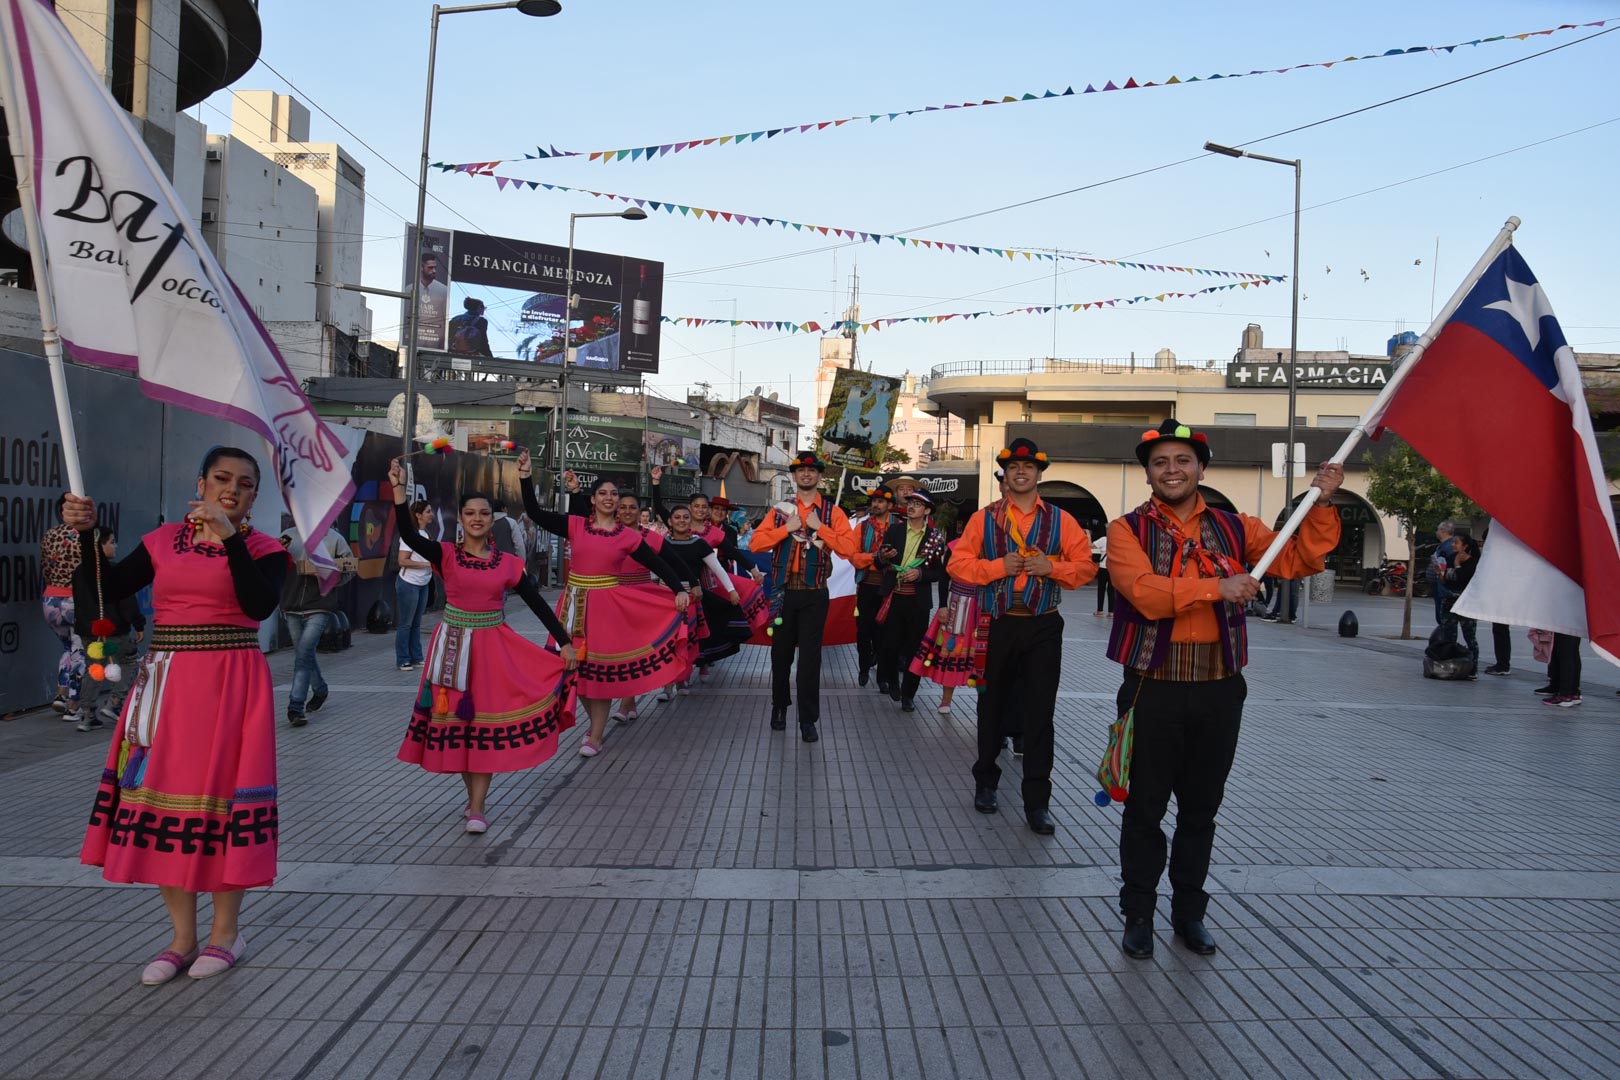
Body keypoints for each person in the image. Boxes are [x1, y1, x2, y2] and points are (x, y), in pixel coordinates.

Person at [1108, 420, 1342, 960]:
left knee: (1201, 810)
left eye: (1182, 460)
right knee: (1144, 809)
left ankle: (1189, 913)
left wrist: (1322, 502)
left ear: (1201, 468)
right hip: (1152, 688)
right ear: (1148, 473)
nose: (1172, 470)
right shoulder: (1126, 531)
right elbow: (1143, 592)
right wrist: (1218, 586)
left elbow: (1298, 558)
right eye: (1161, 462)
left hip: (1219, 689)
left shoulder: (1239, 528)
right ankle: (1138, 913)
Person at [66, 447, 293, 984]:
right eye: (221, 478)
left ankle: (226, 933)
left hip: (231, 685)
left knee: (224, 802)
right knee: (163, 801)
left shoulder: (265, 550)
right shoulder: (162, 541)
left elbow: (258, 605)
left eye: (244, 483)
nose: (231, 489)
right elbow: (107, 591)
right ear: (200, 483)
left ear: (254, 496)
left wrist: (229, 538)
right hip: (167, 684)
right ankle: (182, 937)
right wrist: (87, 536)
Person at [390, 460, 579, 834]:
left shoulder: (507, 563)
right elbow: (409, 536)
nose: (477, 519)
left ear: (493, 520)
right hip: (452, 649)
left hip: (493, 650)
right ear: (460, 519)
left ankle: (478, 806)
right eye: (470, 513)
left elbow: (537, 603)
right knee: (461, 728)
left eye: (484, 513)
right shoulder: (445, 554)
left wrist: (564, 642)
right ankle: (471, 796)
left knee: (483, 728)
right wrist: (398, 492)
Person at [950, 438, 1094, 834]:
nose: (1021, 471)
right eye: (1014, 466)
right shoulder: (984, 518)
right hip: (998, 621)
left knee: (1040, 714)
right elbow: (958, 564)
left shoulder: (1062, 520)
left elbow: (1086, 568)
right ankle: (985, 782)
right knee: (990, 705)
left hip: (1043, 624)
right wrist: (998, 567)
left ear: (1039, 473)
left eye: (1028, 466)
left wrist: (1053, 568)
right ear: (1006, 474)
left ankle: (1037, 801)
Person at [517, 451, 689, 756]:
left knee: (600, 673)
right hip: (572, 606)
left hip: (606, 609)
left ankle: (596, 734)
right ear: (593, 500)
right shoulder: (576, 525)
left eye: (613, 494)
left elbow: (658, 563)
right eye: (603, 494)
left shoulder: (627, 536)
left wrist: (678, 588)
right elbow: (535, 512)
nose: (609, 498)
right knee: (575, 671)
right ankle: (595, 724)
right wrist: (525, 476)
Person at [748, 450, 860, 742]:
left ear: (819, 476)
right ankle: (779, 707)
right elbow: (756, 544)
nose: (806, 474)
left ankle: (808, 719)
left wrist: (819, 527)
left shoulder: (832, 513)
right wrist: (786, 529)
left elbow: (849, 550)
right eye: (800, 470)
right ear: (795, 476)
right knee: (780, 656)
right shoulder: (780, 511)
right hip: (784, 594)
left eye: (811, 470)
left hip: (814, 594)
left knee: (810, 660)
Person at [873, 489, 947, 712]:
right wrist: (883, 557)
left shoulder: (934, 538)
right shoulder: (895, 530)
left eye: (918, 504)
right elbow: (879, 562)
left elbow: (939, 573)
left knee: (915, 649)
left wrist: (920, 574)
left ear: (927, 511)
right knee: (889, 645)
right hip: (894, 596)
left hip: (918, 602)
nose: (912, 507)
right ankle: (892, 681)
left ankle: (909, 694)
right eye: (910, 503)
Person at [278, 526, 357, 728]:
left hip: (320, 605)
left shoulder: (335, 539)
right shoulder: (288, 536)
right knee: (304, 654)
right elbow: (274, 567)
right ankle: (320, 689)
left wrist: (330, 581)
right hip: (292, 604)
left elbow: (350, 568)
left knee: (303, 654)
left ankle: (296, 706)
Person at [71, 526, 146, 732]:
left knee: (94, 668)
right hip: (113, 629)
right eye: (111, 542)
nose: (115, 546)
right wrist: (138, 623)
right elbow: (127, 601)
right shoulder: (112, 571)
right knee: (129, 660)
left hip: (89, 630)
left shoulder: (79, 571)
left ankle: (87, 714)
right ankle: (115, 701)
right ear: (100, 546)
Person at [40, 494, 85, 721]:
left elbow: (45, 568)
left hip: (51, 599)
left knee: (67, 647)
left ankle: (60, 694)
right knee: (79, 650)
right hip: (75, 599)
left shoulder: (50, 534)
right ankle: (74, 705)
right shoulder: (84, 536)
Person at [849, 486, 895, 689]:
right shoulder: (862, 527)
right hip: (867, 585)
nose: (876, 504)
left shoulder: (899, 526)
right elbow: (853, 556)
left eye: (881, 501)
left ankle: (883, 677)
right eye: (874, 501)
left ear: (890, 505)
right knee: (864, 630)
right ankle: (863, 667)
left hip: (891, 587)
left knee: (885, 633)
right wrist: (875, 558)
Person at [396, 500, 435, 671]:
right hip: (409, 583)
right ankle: (403, 659)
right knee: (406, 623)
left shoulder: (426, 534)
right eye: (428, 511)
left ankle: (416, 657)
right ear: (418, 515)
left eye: (431, 511)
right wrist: (426, 565)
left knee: (417, 623)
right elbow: (402, 560)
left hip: (423, 583)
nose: (431, 514)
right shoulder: (410, 536)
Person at [1435, 534, 1480, 671]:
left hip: (1466, 604)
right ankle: (1450, 666)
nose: (1453, 545)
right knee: (1448, 636)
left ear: (1465, 546)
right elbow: (1447, 580)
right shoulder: (1450, 558)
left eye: (1456, 543)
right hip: (1449, 602)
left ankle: (1473, 668)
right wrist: (1440, 574)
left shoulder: (1473, 563)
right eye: (1453, 542)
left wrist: (1457, 565)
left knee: (1469, 636)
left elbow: (1463, 578)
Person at [1429, 520, 1457, 625]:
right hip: (1439, 585)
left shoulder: (1448, 546)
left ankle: (1444, 633)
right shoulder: (1443, 545)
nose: (1436, 532)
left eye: (1438, 530)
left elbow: (1446, 566)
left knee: (1443, 616)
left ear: (1443, 531)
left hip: (1442, 586)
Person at [1543, 634, 1582, 707]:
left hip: (1565, 628)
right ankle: (1574, 693)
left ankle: (1564, 695)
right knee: (1573, 652)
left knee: (1564, 652)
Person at [1092, 531, 1112, 617]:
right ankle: (1111, 612)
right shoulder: (1119, 541)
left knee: (1101, 589)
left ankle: (1100, 610)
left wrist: (1088, 535)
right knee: (1112, 590)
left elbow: (1090, 545)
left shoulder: (1104, 539)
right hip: (1113, 569)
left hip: (1103, 568)